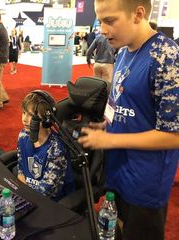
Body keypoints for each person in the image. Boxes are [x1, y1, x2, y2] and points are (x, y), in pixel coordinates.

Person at [78, 1, 179, 239]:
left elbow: (174, 135)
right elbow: (122, 101)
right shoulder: (122, 52)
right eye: (100, 20)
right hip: (118, 174)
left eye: (110, 21)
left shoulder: (166, 57)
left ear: (138, 14)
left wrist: (110, 141)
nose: (102, 30)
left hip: (145, 184)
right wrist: (107, 123)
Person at [17, 91, 75, 201]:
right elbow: (21, 171)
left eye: (30, 115)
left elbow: (48, 191)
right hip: (27, 195)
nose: (24, 119)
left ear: (46, 120)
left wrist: (24, 196)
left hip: (50, 203)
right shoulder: (23, 136)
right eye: (24, 112)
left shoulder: (56, 147)